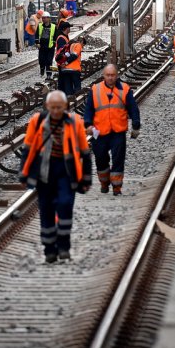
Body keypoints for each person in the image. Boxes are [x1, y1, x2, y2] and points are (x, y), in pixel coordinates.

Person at [19, 90, 93, 263]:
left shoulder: (74, 122)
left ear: (65, 106)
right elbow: (27, 149)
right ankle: (49, 250)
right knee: (46, 211)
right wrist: (23, 174)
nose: (56, 111)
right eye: (52, 107)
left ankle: (64, 247)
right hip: (44, 174)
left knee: (65, 205)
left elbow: (85, 153)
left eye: (59, 107)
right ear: (47, 106)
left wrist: (87, 178)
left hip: (67, 173)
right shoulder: (37, 122)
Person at [84, 64, 141, 196]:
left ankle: (116, 187)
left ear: (117, 75)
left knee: (118, 159)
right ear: (103, 76)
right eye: (108, 75)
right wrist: (88, 124)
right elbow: (89, 110)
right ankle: (104, 183)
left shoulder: (125, 90)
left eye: (113, 75)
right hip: (100, 131)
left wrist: (136, 125)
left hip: (118, 132)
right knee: (101, 159)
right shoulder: (95, 90)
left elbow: (133, 109)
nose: (110, 78)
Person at [54, 22, 83, 97]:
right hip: (63, 64)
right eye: (69, 27)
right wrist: (65, 62)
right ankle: (62, 97)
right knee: (62, 82)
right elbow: (63, 51)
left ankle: (66, 97)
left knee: (66, 83)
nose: (70, 29)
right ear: (66, 28)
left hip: (65, 64)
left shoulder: (65, 37)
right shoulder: (61, 38)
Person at [36, 13, 57, 78]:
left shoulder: (53, 26)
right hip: (42, 46)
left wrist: (53, 44)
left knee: (49, 61)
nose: (43, 19)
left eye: (45, 18)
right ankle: (42, 69)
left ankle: (49, 74)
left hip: (50, 47)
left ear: (49, 18)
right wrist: (37, 43)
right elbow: (36, 35)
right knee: (41, 60)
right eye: (43, 18)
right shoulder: (40, 26)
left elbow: (55, 36)